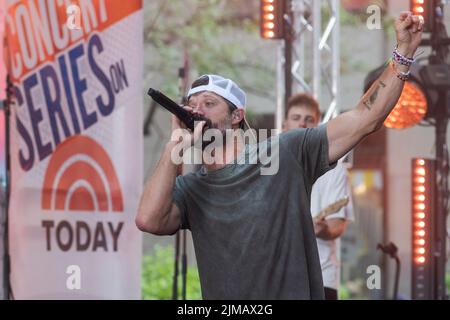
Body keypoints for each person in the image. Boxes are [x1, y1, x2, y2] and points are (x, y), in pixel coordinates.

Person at [136, 12, 423, 299]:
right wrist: (173, 148)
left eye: (209, 103)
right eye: (192, 105)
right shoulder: (191, 188)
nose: (198, 110)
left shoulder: (285, 152)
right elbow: (149, 220)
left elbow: (364, 118)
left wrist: (404, 53)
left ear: (237, 115)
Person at [283, 93, 354, 300]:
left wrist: (322, 229)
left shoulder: (334, 170)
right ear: (285, 124)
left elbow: (337, 226)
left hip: (320, 278)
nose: (301, 125)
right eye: (296, 118)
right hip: (277, 277)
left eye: (309, 120)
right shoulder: (270, 166)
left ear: (317, 125)